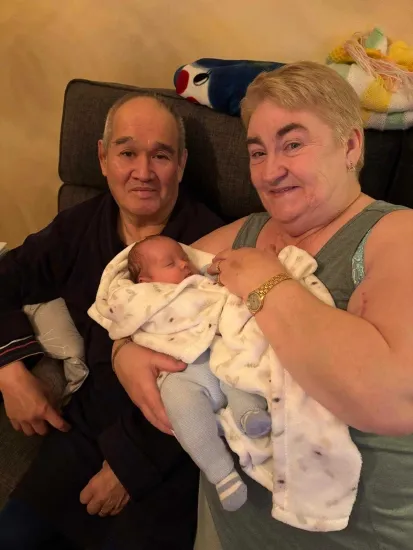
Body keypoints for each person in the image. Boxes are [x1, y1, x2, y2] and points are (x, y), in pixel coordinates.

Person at [112, 61, 413, 549]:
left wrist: (266, 283)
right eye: (257, 152)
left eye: (292, 144)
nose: (270, 172)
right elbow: (137, 291)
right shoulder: (247, 230)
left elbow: (392, 398)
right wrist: (123, 351)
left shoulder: (397, 235)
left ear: (351, 147)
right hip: (227, 525)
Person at [0, 93, 223, 549]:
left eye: (160, 155)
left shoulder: (210, 246)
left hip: (170, 441)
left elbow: (223, 374)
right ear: (103, 159)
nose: (143, 172)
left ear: (181, 164)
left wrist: (130, 464)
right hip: (83, 429)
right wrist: (9, 369)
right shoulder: (79, 227)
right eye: (127, 153)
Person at [101, 235, 272, 511]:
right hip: (183, 371)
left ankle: (249, 414)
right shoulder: (141, 297)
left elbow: (226, 297)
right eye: (171, 263)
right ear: (145, 281)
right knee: (180, 404)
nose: (183, 264)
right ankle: (222, 474)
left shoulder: (203, 282)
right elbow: (121, 318)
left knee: (239, 367)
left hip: (218, 349)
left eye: (184, 258)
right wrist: (121, 349)